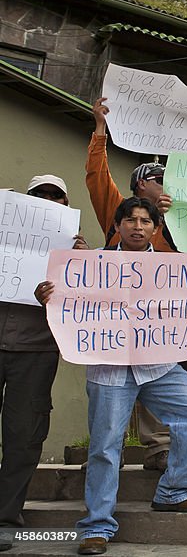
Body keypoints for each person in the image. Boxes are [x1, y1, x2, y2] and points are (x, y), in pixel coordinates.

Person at [35, 197, 187, 557]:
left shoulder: (172, 271)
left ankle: (175, 490)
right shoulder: (89, 267)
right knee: (105, 445)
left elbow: (179, 309)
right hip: (109, 367)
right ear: (116, 226)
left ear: (155, 228)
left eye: (145, 221)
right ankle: (96, 526)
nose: (137, 226)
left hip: (159, 363)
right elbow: (67, 303)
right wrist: (48, 297)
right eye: (129, 220)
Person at [86, 98, 176, 471]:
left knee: (155, 373)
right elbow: (96, 176)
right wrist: (100, 130)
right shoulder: (119, 212)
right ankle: (109, 450)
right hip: (112, 318)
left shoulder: (179, 219)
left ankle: (158, 449)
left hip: (154, 321)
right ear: (141, 184)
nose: (166, 183)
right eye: (159, 178)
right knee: (108, 386)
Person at [0, 176, 88, 554]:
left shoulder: (74, 248)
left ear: (66, 204)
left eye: (56, 197)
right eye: (40, 196)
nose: (48, 201)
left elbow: (91, 300)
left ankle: (5, 517)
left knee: (23, 436)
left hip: (36, 351)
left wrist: (79, 263)